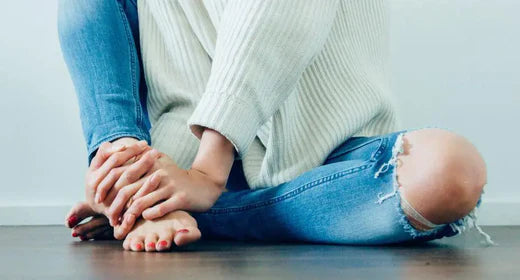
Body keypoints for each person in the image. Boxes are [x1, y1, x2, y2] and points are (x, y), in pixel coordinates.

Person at [58, 0, 492, 252]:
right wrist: (129, 169)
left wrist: (208, 173)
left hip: (333, 155)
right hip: (176, 160)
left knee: (451, 171)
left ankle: (186, 211)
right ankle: (128, 183)